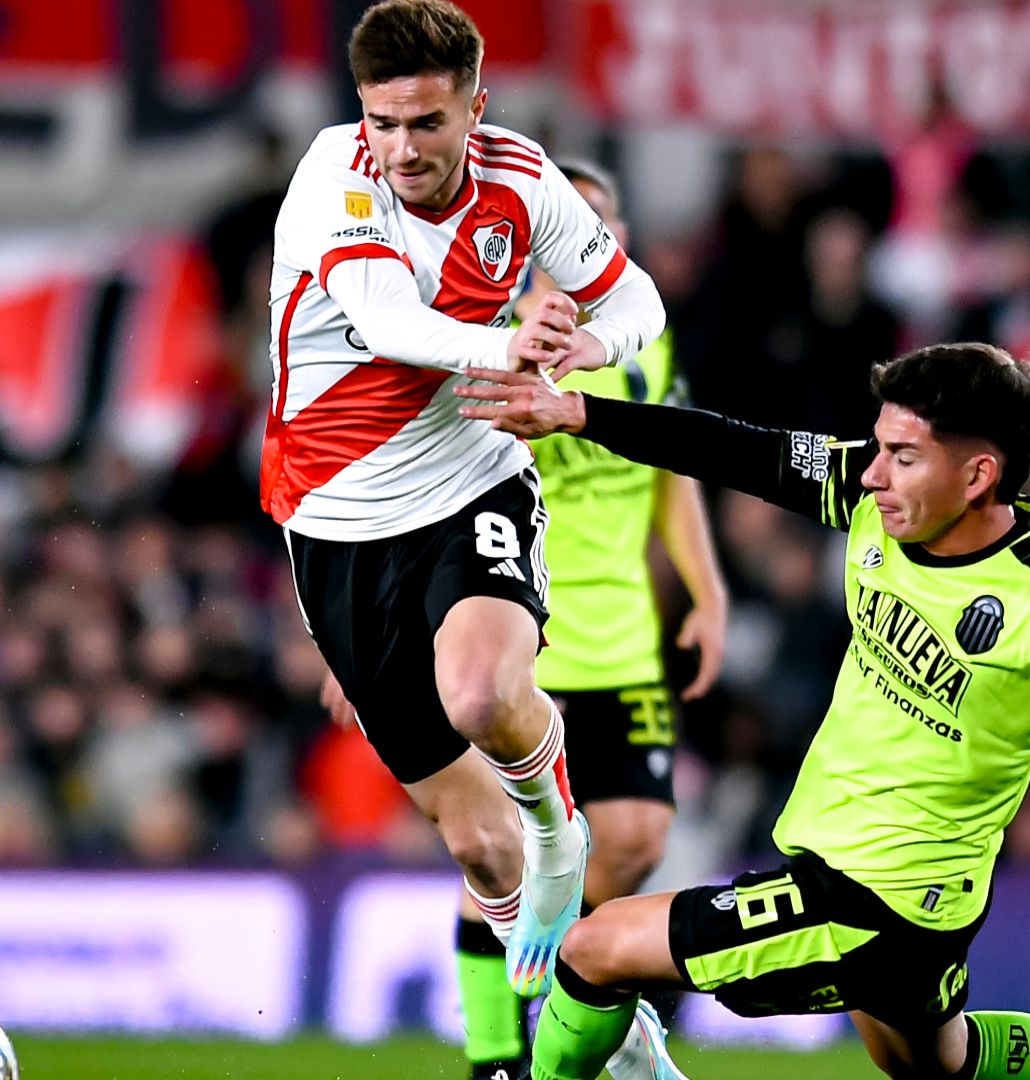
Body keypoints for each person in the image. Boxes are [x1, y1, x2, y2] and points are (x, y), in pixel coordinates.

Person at [455, 343, 1030, 1080]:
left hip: (878, 903)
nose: (873, 473)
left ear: (978, 475)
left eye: (902, 456)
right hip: (906, 903)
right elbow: (735, 449)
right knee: (941, 1059)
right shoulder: (875, 501)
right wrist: (581, 413)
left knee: (595, 951)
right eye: (879, 448)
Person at [266, 0, 665, 1031]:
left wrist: (585, 349)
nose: (400, 148)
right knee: (476, 849)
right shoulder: (332, 174)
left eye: (427, 124)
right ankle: (586, 1034)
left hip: (466, 480)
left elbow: (637, 305)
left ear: (473, 108)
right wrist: (518, 344)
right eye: (384, 120)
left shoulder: (523, 180)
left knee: (485, 693)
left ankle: (559, 832)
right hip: (331, 518)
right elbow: (386, 323)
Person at [446, 160, 727, 1079]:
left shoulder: (647, 344)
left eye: (594, 228)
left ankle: (559, 987)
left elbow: (670, 467)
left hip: (626, 641)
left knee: (637, 836)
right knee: (496, 845)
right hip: (523, 635)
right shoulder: (488, 340)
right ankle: (498, 1051)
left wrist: (707, 587)